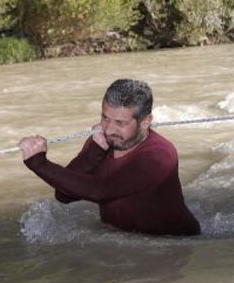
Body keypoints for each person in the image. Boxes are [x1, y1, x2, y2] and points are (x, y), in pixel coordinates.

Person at [18, 79, 201, 236]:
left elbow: (101, 190)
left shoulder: (159, 155)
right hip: (124, 241)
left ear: (145, 122)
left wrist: (39, 163)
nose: (109, 129)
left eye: (120, 123)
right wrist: (94, 152)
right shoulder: (101, 141)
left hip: (173, 242)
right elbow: (64, 195)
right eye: (105, 118)